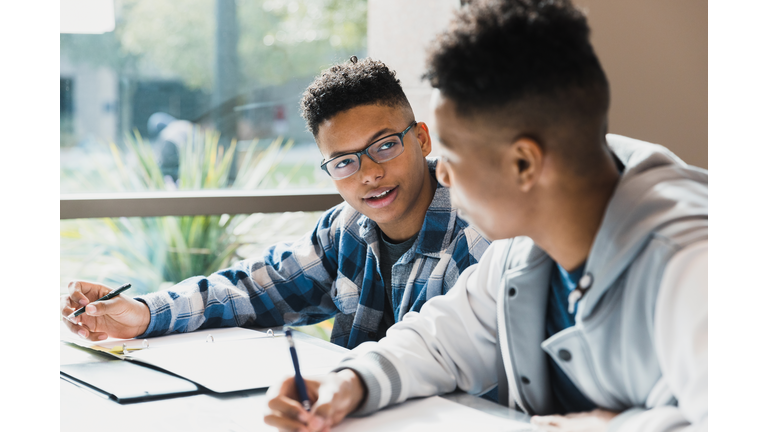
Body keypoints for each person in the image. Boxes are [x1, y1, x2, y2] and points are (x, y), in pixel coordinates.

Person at [263, 1, 707, 431]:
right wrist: (348, 381)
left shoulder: (695, 265)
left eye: (453, 157)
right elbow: (440, 339)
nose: (444, 175)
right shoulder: (526, 245)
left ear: (523, 165)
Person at [60, 57, 490, 351]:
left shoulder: (478, 241)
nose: (368, 174)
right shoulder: (345, 230)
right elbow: (250, 290)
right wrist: (141, 313)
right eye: (343, 162)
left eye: (384, 146)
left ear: (420, 139)